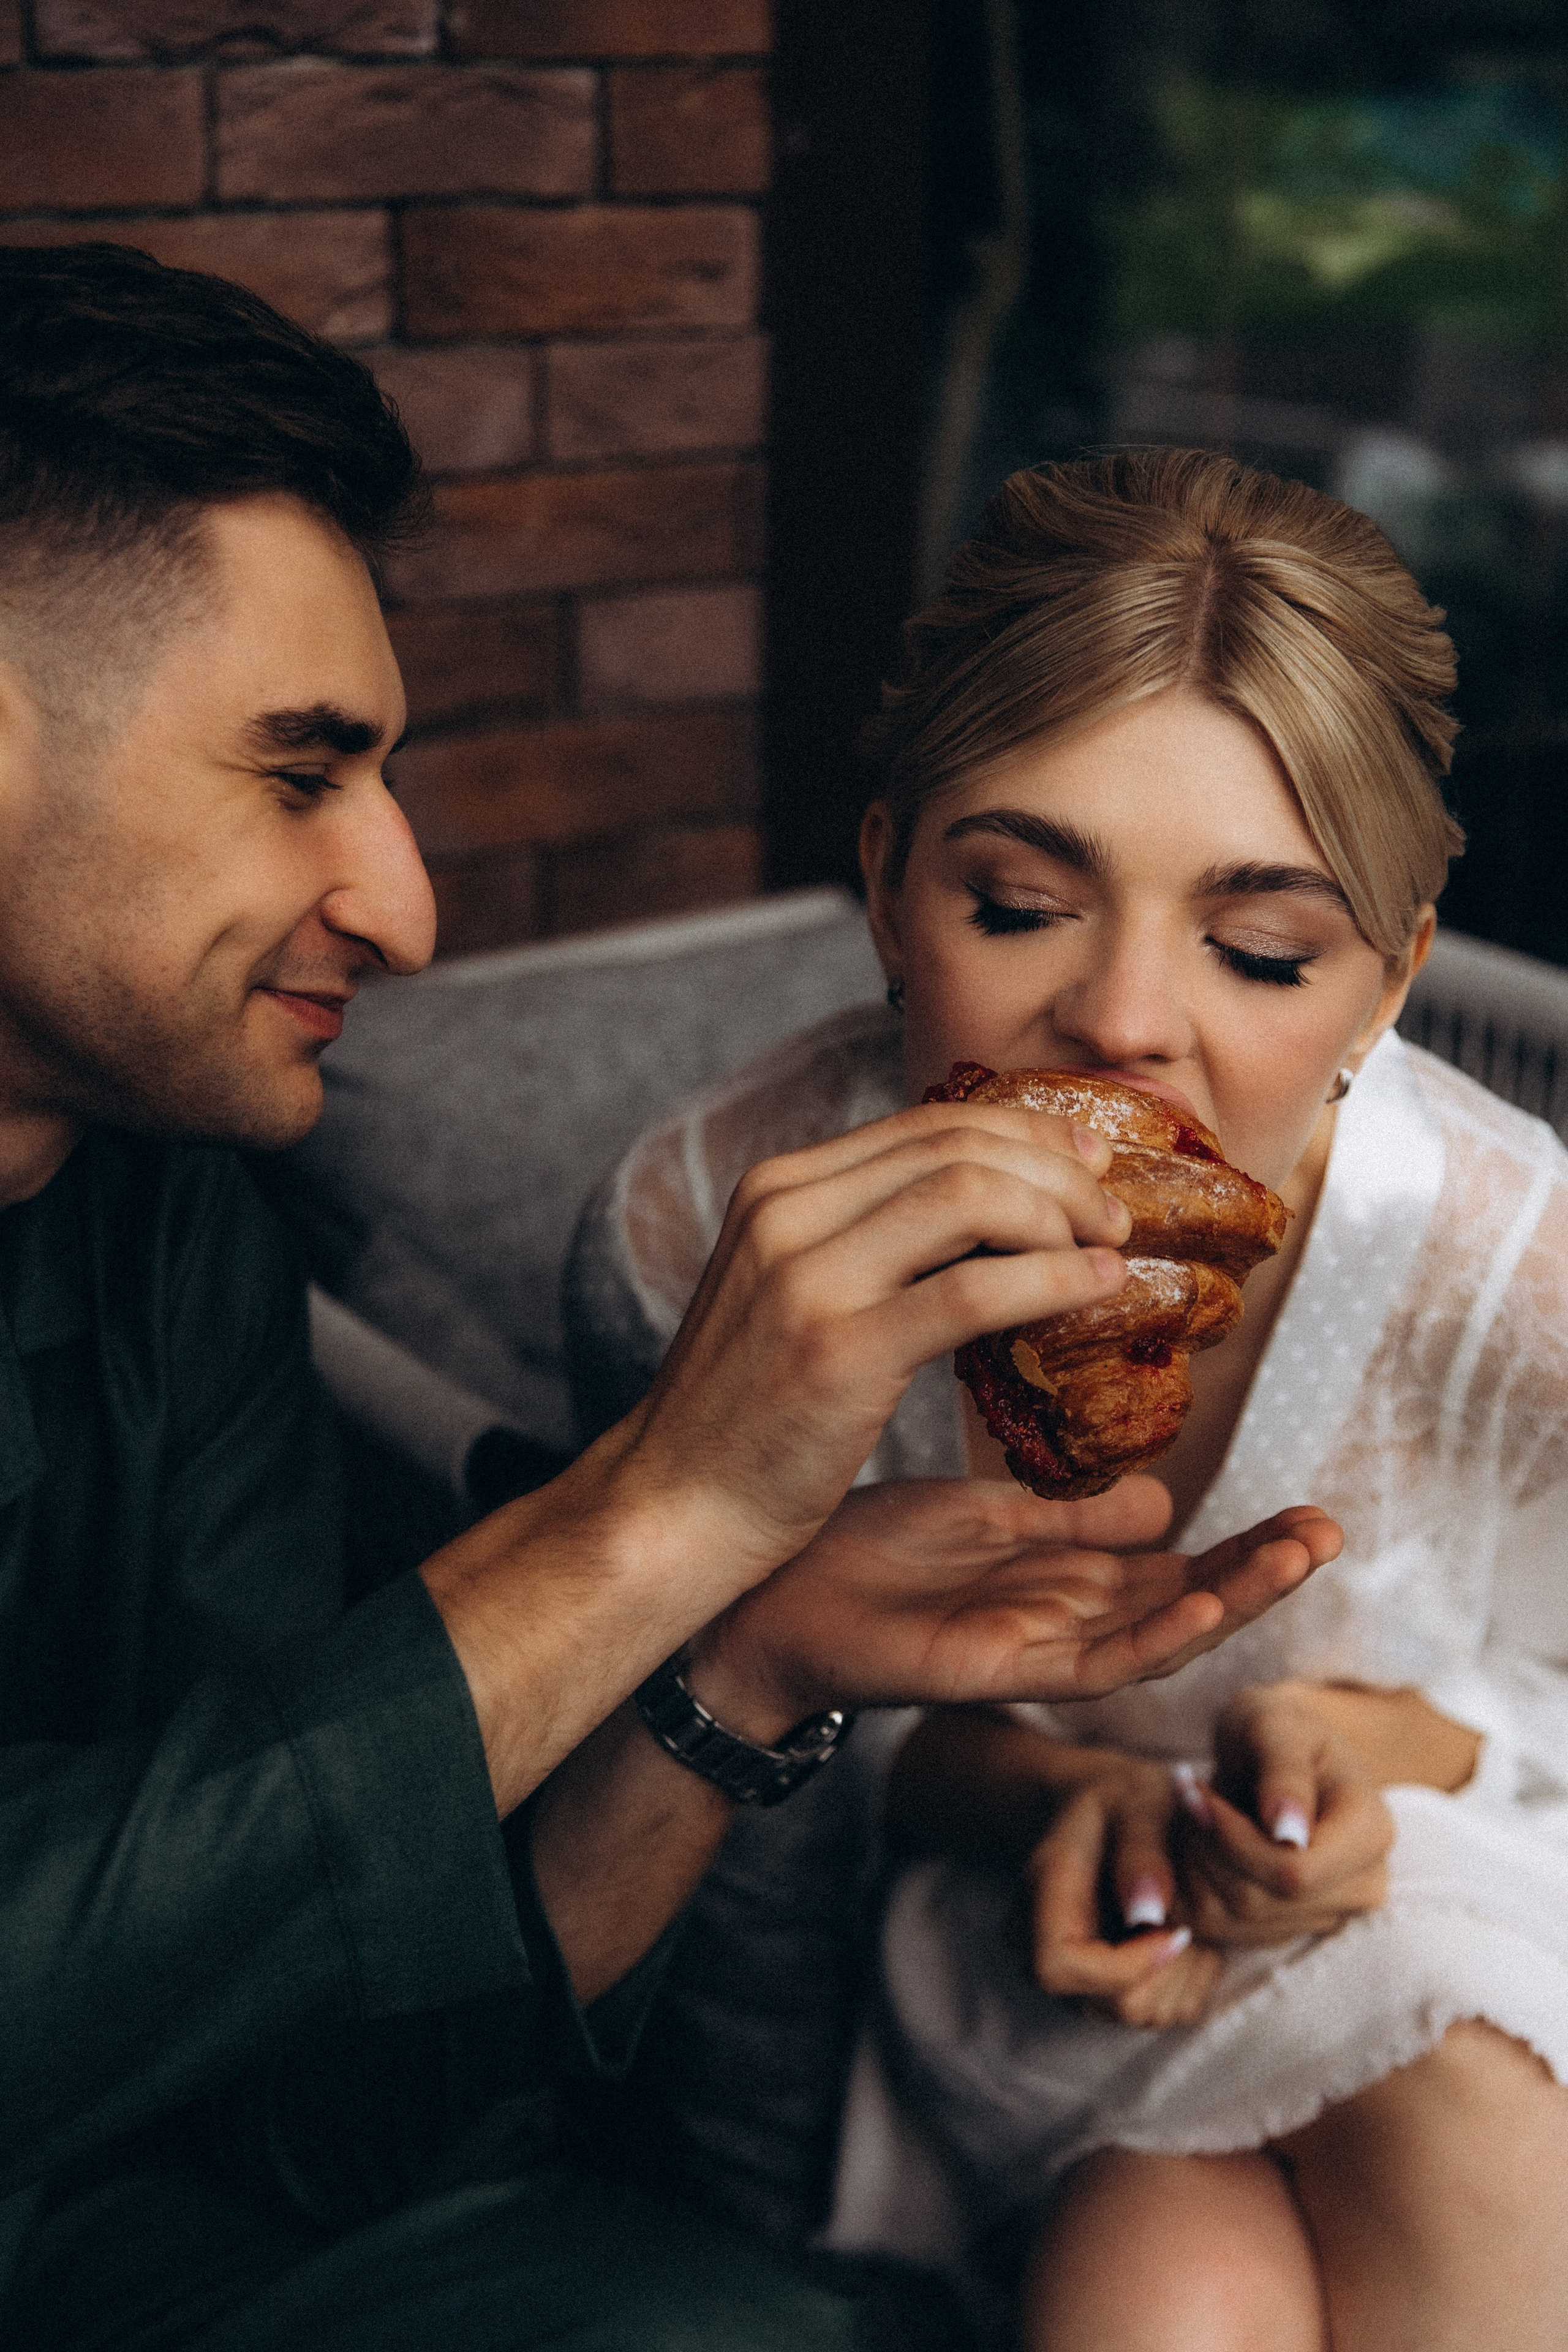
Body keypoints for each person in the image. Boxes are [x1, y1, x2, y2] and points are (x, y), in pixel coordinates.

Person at [0, 252, 1335, 2352]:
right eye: (298, 773)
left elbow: (332, 2084)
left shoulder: (185, 1230)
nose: (409, 908)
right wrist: (660, 1507)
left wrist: (737, 1656)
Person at [570, 449, 1568, 2352]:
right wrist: (1064, 1787)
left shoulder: (1520, 1282)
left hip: (1470, 1881)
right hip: (1047, 1947)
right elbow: (717, 1751)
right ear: (883, 886)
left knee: (1458, 2072)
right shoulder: (701, 1235)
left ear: (1390, 982)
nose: (1122, 1022)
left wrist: (1377, 1751)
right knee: (1160, 2308)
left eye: (1263, 951)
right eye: (1023, 903)